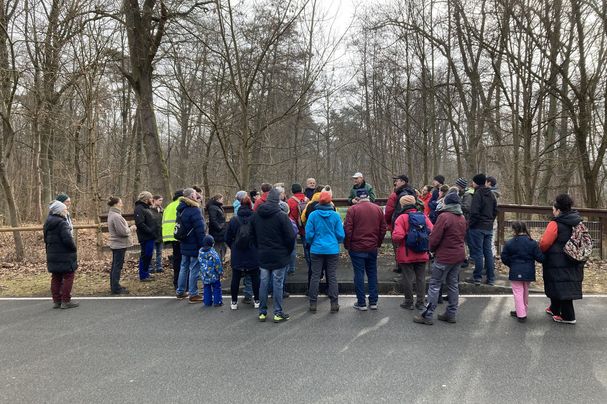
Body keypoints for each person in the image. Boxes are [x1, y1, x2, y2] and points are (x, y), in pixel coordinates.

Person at [413, 192, 467, 325]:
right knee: (453, 284)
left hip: (444, 256)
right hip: (458, 255)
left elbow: (435, 237)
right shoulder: (462, 218)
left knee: (435, 285)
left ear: (447, 203)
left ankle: (428, 315)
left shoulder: (444, 217)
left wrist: (431, 249)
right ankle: (451, 313)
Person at [539, 194, 585, 324]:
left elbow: (545, 243)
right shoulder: (577, 221)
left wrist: (540, 250)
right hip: (574, 258)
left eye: (553, 209)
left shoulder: (555, 223)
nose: (553, 212)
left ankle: (568, 316)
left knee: (562, 286)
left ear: (558, 210)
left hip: (557, 260)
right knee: (562, 284)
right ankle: (554, 308)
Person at [253, 188, 296, 323]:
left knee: (264, 283)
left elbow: (252, 235)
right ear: (278, 200)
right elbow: (290, 237)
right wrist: (287, 252)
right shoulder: (282, 216)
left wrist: (258, 248)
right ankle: (278, 312)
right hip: (279, 254)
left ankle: (262, 312)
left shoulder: (256, 215)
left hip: (263, 253)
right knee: (278, 284)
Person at [344, 188, 386, 311]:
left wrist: (348, 245)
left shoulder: (353, 210)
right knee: (372, 273)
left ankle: (361, 302)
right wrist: (378, 243)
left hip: (357, 247)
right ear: (368, 196)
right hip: (372, 246)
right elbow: (383, 228)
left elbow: (348, 229)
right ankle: (373, 301)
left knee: (359, 274)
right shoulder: (377, 209)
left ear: (357, 198)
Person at [392, 195, 433, 311]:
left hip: (406, 254)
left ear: (402, 205)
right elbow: (432, 230)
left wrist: (406, 236)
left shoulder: (401, 218)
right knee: (421, 278)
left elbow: (397, 236)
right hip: (422, 252)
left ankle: (408, 302)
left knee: (407, 278)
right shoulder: (423, 216)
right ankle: (420, 302)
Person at [306, 190, 345, 313]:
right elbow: (340, 235)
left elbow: (309, 234)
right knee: (332, 276)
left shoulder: (313, 215)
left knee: (315, 276)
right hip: (332, 249)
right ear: (330, 202)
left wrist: (313, 242)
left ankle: (313, 303)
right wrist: (335, 241)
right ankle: (334, 303)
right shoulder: (335, 215)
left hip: (316, 249)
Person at [501, 222, 544, 322]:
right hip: (529, 271)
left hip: (515, 270)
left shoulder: (510, 242)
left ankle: (521, 314)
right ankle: (522, 310)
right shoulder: (532, 242)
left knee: (518, 292)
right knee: (525, 291)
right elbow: (540, 257)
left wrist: (511, 264)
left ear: (515, 230)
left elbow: (504, 257)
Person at [226, 195, 260, 310]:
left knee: (235, 277)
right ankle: (257, 300)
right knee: (255, 276)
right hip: (252, 251)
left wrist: (233, 246)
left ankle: (234, 302)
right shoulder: (255, 218)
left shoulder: (234, 219)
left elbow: (227, 237)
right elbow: (259, 236)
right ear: (251, 204)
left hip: (237, 252)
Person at [44, 200, 78, 309]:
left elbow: (45, 239)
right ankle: (65, 300)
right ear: (59, 211)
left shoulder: (47, 223)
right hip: (64, 254)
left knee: (56, 277)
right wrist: (74, 248)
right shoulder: (63, 223)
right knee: (69, 275)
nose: (66, 211)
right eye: (64, 209)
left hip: (52, 253)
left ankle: (56, 301)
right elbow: (68, 240)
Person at [175, 188, 207, 303]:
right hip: (194, 243)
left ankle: (180, 291)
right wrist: (204, 244)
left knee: (184, 267)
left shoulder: (180, 209)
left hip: (184, 242)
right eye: (194, 194)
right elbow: (200, 229)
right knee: (194, 268)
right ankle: (193, 294)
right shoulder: (194, 210)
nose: (196, 196)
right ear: (191, 196)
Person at [467, 173, 498, 285]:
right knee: (488, 252)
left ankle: (477, 277)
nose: (472, 183)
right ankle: (491, 278)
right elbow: (495, 211)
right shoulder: (492, 194)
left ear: (476, 182)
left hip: (477, 227)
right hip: (488, 227)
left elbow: (474, 212)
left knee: (478, 253)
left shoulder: (477, 194)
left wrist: (471, 224)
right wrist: (489, 221)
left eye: (473, 182)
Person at [107, 197, 132, 295]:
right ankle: (116, 288)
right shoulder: (116, 216)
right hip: (119, 244)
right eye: (121, 203)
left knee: (115, 266)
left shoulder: (113, 214)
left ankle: (115, 286)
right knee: (117, 267)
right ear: (116, 204)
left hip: (117, 244)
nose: (122, 204)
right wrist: (131, 229)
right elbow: (122, 232)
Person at [162, 189, 184, 290]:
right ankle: (181, 284)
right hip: (179, 235)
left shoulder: (169, 206)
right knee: (182, 261)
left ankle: (176, 282)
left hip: (170, 235)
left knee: (176, 260)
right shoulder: (181, 205)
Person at [134, 191, 157, 282]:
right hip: (145, 237)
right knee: (145, 255)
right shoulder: (139, 208)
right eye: (151, 198)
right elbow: (140, 223)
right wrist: (150, 231)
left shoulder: (147, 208)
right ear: (146, 199)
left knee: (149, 255)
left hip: (150, 236)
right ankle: (143, 275)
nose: (152, 200)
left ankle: (146, 273)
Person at [199, 235, 223, 307]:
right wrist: (220, 272)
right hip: (213, 274)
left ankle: (207, 302)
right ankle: (217, 301)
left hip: (204, 274)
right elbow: (217, 263)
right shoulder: (213, 253)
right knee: (216, 287)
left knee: (206, 287)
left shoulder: (200, 252)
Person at [207, 194, 227, 263]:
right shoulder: (213, 207)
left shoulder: (218, 206)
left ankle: (220, 262)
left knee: (223, 247)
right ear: (218, 199)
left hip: (220, 232)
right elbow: (213, 220)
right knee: (217, 249)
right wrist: (219, 228)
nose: (222, 200)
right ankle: (217, 264)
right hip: (216, 232)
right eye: (222, 199)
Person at [486, 176, 501, 257]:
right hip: (492, 220)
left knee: (489, 242)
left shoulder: (490, 194)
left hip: (489, 220)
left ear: (489, 183)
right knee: (491, 241)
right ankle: (492, 260)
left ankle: (490, 261)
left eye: (485, 182)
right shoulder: (495, 194)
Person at [150, 195, 164, 273]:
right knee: (152, 252)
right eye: (159, 200)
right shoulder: (150, 210)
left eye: (161, 200)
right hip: (153, 234)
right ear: (154, 200)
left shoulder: (162, 211)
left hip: (160, 233)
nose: (161, 202)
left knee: (159, 252)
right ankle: (151, 267)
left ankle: (159, 266)